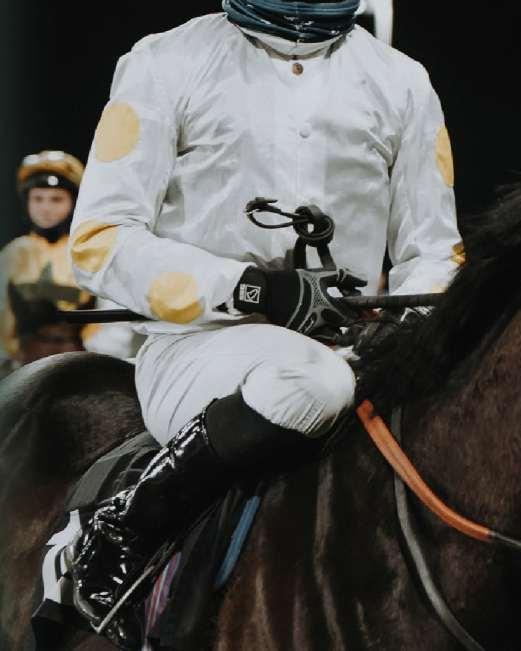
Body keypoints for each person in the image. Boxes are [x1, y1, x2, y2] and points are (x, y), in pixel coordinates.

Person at [64, 1, 462, 645]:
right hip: (199, 348)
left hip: (359, 356)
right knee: (314, 381)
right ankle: (124, 527)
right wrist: (249, 288)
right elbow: (100, 240)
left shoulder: (405, 81)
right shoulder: (163, 61)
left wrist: (406, 329)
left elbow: (436, 253)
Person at [0, 151, 145, 371]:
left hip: (77, 363)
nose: (45, 208)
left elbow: (114, 317)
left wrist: (95, 357)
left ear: (73, 202)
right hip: (20, 364)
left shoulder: (88, 252)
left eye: (56, 199)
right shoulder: (13, 253)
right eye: (37, 199)